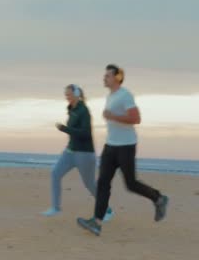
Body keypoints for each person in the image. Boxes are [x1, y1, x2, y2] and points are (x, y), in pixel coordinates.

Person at [77, 64, 169, 236]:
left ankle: (158, 198)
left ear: (118, 78)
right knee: (103, 183)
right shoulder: (110, 96)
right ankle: (96, 223)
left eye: (108, 76)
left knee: (131, 184)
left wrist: (113, 117)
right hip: (110, 146)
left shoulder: (125, 95)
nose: (104, 78)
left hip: (126, 147)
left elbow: (136, 118)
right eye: (105, 75)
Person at [42, 84, 113, 222]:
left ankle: (108, 210)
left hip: (84, 154)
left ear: (76, 94)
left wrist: (65, 129)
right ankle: (55, 208)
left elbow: (85, 134)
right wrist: (67, 130)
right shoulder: (71, 109)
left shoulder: (84, 111)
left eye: (68, 94)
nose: (66, 97)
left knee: (90, 185)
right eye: (66, 94)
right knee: (55, 173)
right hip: (70, 151)